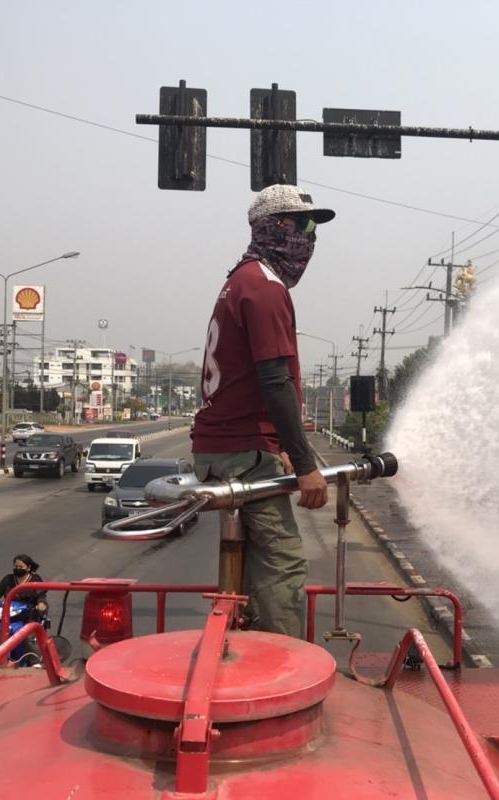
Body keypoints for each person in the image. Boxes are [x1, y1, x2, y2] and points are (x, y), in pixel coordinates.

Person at [190, 183, 333, 637]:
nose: (309, 238)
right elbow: (275, 382)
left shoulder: (240, 279)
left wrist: (280, 447)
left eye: (314, 229)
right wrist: (306, 465)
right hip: (242, 451)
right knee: (282, 565)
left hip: (226, 446)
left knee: (252, 564)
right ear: (275, 227)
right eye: (302, 225)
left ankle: (248, 646)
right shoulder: (265, 288)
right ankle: (286, 662)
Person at [0, 554, 48, 620]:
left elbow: (41, 595)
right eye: (16, 566)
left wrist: (41, 603)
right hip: (9, 613)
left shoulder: (35, 579)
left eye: (21, 567)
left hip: (29, 614)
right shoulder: (8, 579)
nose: (18, 568)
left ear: (28, 568)